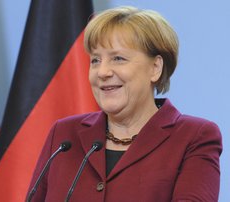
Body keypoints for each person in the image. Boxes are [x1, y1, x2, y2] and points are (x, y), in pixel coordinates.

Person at [28, 6, 222, 202]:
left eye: (118, 58)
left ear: (155, 68)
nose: (102, 72)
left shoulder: (194, 137)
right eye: (95, 60)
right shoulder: (63, 135)